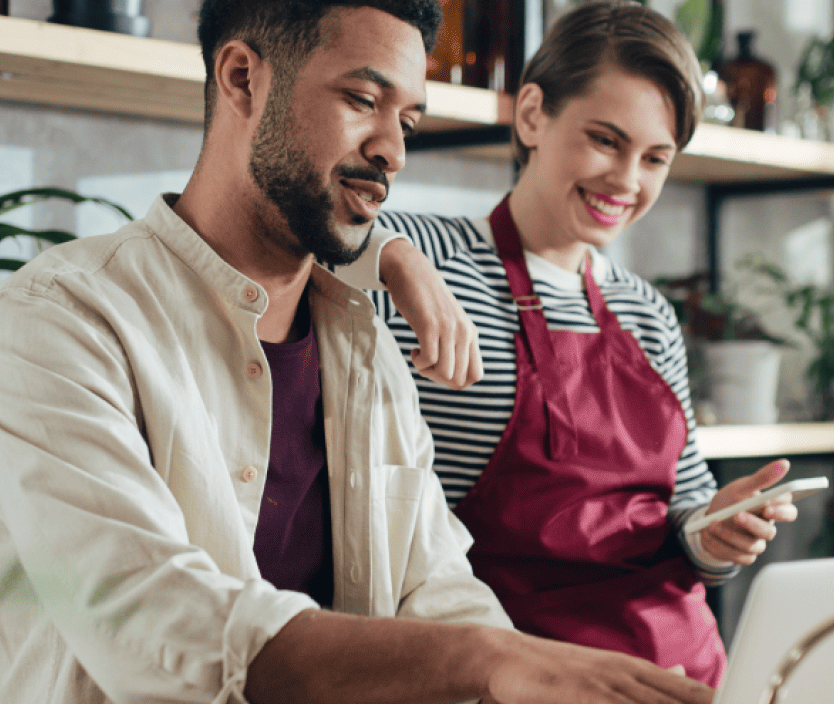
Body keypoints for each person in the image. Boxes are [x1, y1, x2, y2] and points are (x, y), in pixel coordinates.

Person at [0, 0, 716, 702]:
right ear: (241, 78)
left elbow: (435, 584)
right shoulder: (61, 322)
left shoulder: (367, 349)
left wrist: (512, 659)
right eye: (362, 101)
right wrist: (486, 660)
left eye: (408, 123)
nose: (391, 151)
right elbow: (147, 614)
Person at [333, 1, 801, 687]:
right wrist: (397, 258)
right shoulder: (427, 257)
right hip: (517, 676)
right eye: (606, 141)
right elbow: (303, 233)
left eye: (655, 158)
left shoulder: (647, 312)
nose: (627, 180)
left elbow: (682, 513)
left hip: (684, 675)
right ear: (532, 116)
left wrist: (716, 533)